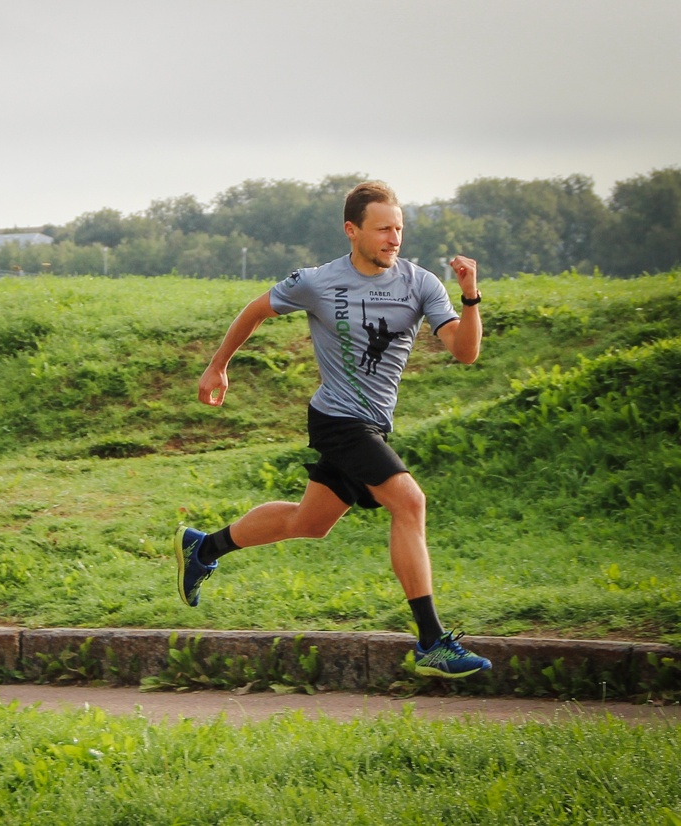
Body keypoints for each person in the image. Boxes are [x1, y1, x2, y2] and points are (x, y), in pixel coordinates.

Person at [174, 181, 491, 679]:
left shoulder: (420, 282)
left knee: (309, 522)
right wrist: (218, 366)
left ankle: (203, 546)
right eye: (383, 228)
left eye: (399, 229)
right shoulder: (318, 281)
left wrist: (470, 296)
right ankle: (431, 640)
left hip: (372, 424)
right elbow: (256, 309)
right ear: (353, 231)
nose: (394, 238)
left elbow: (465, 351)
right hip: (338, 420)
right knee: (410, 502)